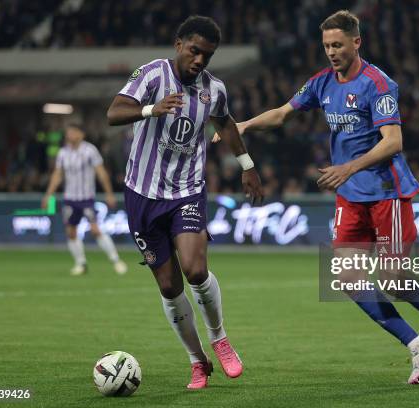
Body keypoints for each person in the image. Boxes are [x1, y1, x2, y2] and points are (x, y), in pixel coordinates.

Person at [214, 10, 419, 384]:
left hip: (387, 194)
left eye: (337, 45)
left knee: (394, 277)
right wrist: (245, 124)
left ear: (356, 42)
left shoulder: (378, 84)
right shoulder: (322, 83)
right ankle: (417, 345)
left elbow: (394, 142)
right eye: (326, 46)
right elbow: (284, 113)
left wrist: (349, 167)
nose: (331, 52)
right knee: (349, 278)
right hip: (351, 199)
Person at [106, 16, 264, 389]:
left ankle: (220, 338)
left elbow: (224, 124)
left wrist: (247, 165)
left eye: (207, 55)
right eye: (194, 51)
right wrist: (151, 109)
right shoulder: (151, 75)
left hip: (186, 191)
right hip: (141, 194)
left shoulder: (214, 89)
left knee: (194, 269)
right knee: (169, 286)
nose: (199, 61)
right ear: (179, 45)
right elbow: (113, 112)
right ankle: (197, 360)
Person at [42, 123, 128, 276]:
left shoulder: (90, 150)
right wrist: (48, 194)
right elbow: (57, 175)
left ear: (81, 134)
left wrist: (109, 193)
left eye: (73, 131)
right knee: (71, 232)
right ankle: (81, 264)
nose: (70, 134)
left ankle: (116, 260)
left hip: (86, 198)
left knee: (95, 230)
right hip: (70, 198)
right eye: (69, 131)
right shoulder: (62, 153)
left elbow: (101, 173)